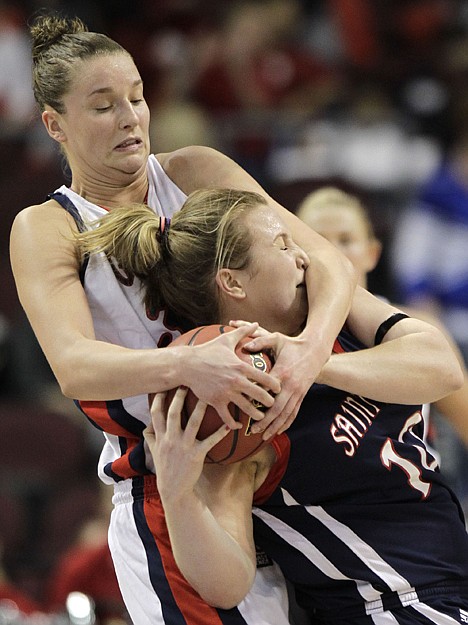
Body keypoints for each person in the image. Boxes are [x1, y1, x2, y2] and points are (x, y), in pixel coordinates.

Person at [9, 13, 357, 625]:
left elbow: (326, 261)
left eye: (138, 97)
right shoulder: (48, 225)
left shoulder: (194, 172)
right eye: (102, 106)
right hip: (170, 483)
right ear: (54, 125)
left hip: (276, 464)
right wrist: (193, 364)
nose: (129, 117)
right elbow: (74, 366)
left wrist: (309, 352)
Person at [76, 186, 467, 624]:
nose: (304, 257)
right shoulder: (236, 408)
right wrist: (180, 494)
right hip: (389, 606)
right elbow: (227, 584)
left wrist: (312, 361)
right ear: (232, 281)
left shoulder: (332, 315)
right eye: (283, 244)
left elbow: (444, 368)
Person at [296, 186, 468, 477]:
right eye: (319, 240)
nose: (333, 252)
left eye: (346, 240)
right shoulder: (288, 339)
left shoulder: (418, 327)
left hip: (418, 501)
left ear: (372, 253)